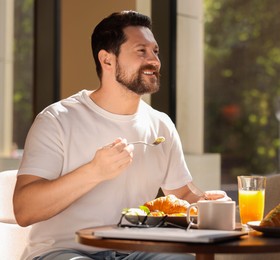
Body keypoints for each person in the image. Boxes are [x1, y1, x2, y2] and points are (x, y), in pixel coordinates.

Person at [13, 10, 230, 260]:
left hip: (137, 252)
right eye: (141, 51)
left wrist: (208, 203)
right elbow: (24, 210)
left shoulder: (160, 125)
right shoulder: (57, 119)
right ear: (107, 60)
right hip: (64, 250)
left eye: (155, 51)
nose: (154, 61)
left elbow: (181, 195)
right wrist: (93, 172)